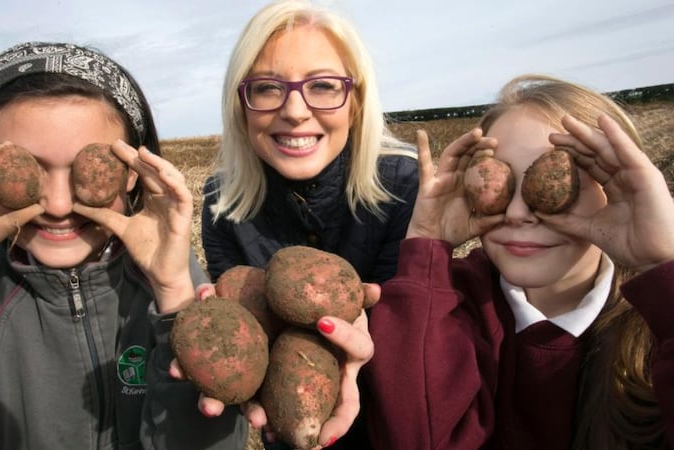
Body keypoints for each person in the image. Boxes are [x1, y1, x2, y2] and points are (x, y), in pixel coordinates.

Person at [0, 41, 249, 449]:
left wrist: (175, 296)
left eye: (89, 168)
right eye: (25, 168)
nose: (57, 205)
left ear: (132, 173)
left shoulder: (174, 286)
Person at [366, 74, 674, 449]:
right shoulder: (444, 310)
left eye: (564, 179)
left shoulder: (657, 329)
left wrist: (664, 265)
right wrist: (424, 247)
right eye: (498, 182)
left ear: (619, 188)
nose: (516, 212)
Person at [199, 0, 419, 448]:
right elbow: (249, 339)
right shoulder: (223, 203)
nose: (295, 111)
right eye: (266, 88)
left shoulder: (408, 190)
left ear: (355, 101)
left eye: (322, 85)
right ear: (241, 105)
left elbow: (424, 338)